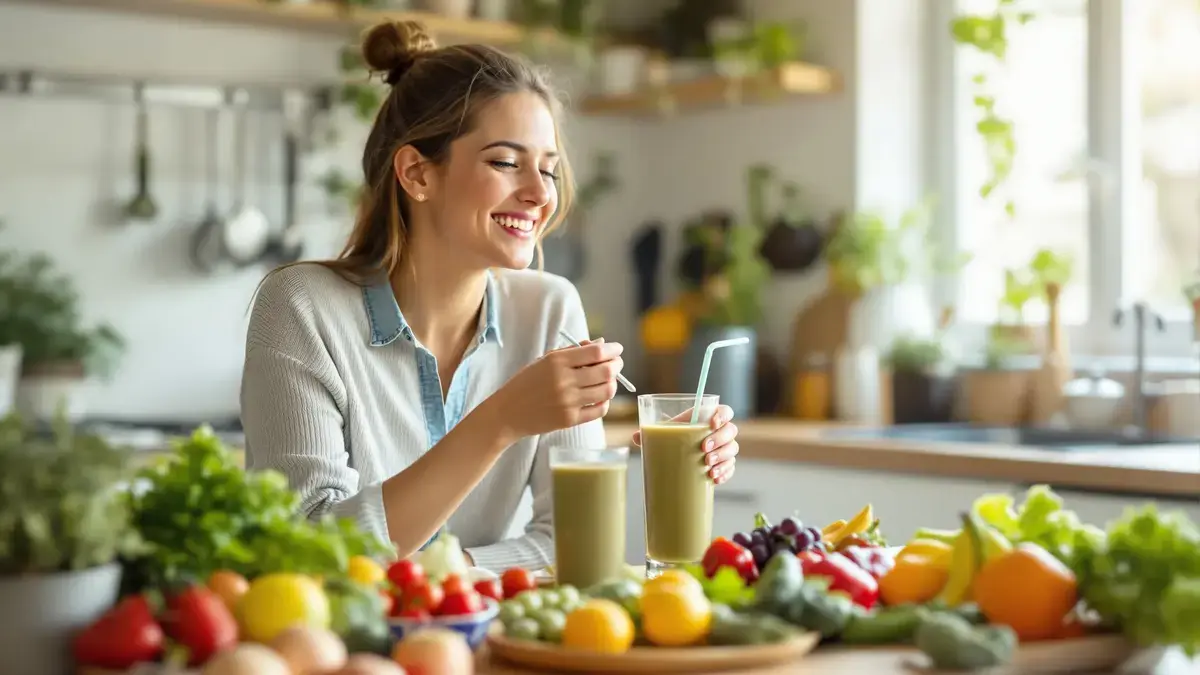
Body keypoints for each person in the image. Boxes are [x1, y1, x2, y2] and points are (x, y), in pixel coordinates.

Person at [240, 20, 742, 572]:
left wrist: (666, 459)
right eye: (505, 162)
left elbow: (572, 545)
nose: (538, 194)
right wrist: (498, 421)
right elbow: (305, 552)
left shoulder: (552, 311)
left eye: (548, 170)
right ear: (417, 174)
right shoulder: (301, 308)